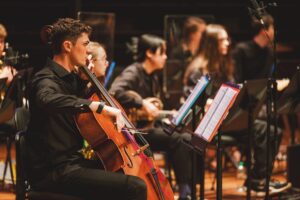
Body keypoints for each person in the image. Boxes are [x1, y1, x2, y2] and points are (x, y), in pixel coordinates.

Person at [25, 18, 147, 200]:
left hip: (75, 163)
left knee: (127, 175)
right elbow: (47, 99)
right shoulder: (45, 79)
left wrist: (84, 81)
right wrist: (96, 106)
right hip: (54, 171)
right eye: (84, 44)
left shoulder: (72, 80)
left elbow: (74, 104)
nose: (88, 50)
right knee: (135, 187)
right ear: (67, 46)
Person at [184, 24, 289, 196]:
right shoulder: (198, 70)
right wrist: (208, 103)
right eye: (223, 39)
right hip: (209, 125)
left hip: (228, 120)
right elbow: (191, 103)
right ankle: (256, 183)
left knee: (273, 132)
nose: (227, 43)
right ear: (212, 44)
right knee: (265, 130)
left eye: (227, 39)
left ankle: (257, 181)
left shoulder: (226, 67)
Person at [109, 34, 193, 200]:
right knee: (178, 139)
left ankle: (187, 189)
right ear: (149, 53)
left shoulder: (153, 76)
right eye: (162, 53)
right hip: (132, 131)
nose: (166, 57)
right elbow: (115, 91)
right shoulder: (133, 71)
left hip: (147, 127)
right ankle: (185, 192)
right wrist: (141, 102)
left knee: (187, 138)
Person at [232, 15, 274, 83]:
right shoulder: (241, 50)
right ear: (264, 31)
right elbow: (237, 79)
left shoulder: (269, 52)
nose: (274, 31)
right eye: (272, 28)